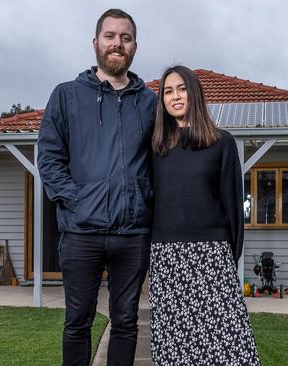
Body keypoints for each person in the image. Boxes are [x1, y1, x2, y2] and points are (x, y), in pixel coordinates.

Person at [37, 9, 157, 366]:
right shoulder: (66, 96)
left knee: (125, 322)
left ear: (134, 46)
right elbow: (49, 159)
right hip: (80, 232)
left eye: (125, 37)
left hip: (133, 233)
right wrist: (77, 201)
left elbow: (164, 161)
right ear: (95, 43)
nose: (117, 43)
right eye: (110, 36)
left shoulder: (151, 103)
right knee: (77, 322)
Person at [149, 65, 261, 365]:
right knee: (175, 344)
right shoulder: (155, 146)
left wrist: (228, 257)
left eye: (182, 89)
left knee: (227, 343)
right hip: (167, 256)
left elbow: (233, 205)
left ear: (195, 93)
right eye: (168, 91)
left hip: (212, 256)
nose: (175, 97)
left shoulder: (220, 142)